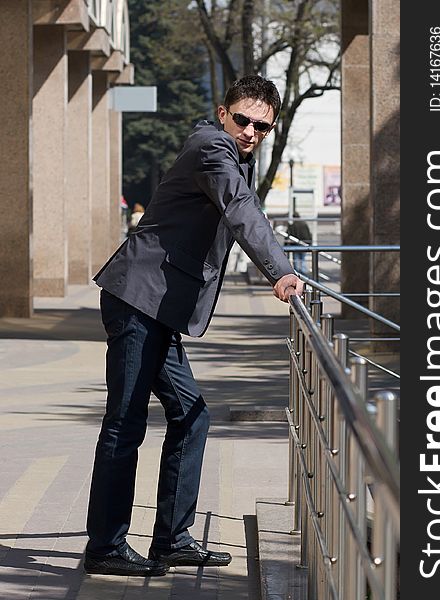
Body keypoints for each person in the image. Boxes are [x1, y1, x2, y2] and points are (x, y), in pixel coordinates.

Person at [84, 75, 304, 577]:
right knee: (125, 422)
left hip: (159, 308)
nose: (250, 131)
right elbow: (241, 209)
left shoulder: (232, 154)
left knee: (192, 415)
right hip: (136, 300)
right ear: (224, 111)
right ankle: (105, 546)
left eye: (262, 127)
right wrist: (281, 270)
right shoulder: (211, 148)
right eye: (244, 119)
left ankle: (171, 539)